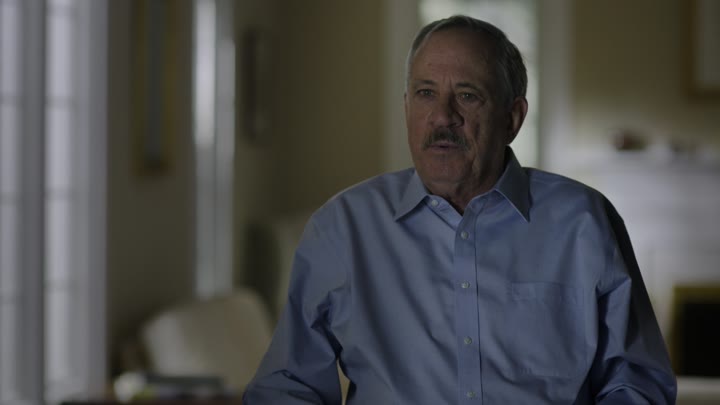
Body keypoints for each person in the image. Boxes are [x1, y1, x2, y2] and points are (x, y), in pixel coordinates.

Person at [243, 15, 677, 404]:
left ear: (513, 118)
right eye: (425, 93)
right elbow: (287, 387)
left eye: (467, 96)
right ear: (406, 107)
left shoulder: (585, 222)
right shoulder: (342, 228)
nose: (442, 117)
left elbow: (637, 381)